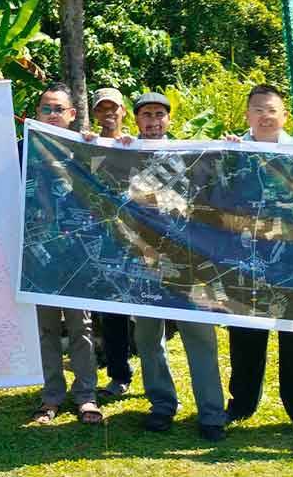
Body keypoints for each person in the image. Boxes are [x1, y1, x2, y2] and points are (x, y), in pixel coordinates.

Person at [119, 92, 227, 441]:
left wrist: (232, 147)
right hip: (144, 263)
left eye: (159, 114)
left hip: (187, 263)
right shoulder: (122, 154)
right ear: (137, 120)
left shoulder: (190, 155)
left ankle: (211, 414)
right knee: (148, 337)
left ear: (169, 120)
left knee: (200, 337)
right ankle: (161, 405)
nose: (153, 120)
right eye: (146, 114)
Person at [222, 84, 293, 436]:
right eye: (258, 110)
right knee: (246, 333)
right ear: (248, 115)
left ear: (284, 116)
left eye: (272, 110)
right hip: (246, 258)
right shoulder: (230, 152)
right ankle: (241, 403)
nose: (265, 116)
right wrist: (223, 156)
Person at [23, 83, 102, 425]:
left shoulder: (86, 151)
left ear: (72, 115)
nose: (52, 115)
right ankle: (51, 396)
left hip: (76, 254)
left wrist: (120, 146)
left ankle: (86, 396)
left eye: (59, 109)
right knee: (46, 329)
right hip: (37, 254)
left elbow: (118, 177)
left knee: (81, 326)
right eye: (46, 109)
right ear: (36, 115)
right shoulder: (22, 150)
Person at [83, 88, 135, 399]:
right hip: (102, 240)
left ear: (124, 111)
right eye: (102, 109)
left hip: (141, 240)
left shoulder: (137, 145)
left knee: (150, 311)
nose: (108, 114)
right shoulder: (86, 147)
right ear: (95, 113)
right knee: (111, 310)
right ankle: (119, 374)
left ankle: (160, 378)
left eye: (113, 108)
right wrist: (85, 148)